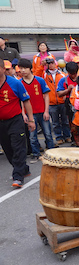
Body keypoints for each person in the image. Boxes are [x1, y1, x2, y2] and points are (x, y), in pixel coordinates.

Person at [0, 59, 35, 188]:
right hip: (1, 123)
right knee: (8, 149)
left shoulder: (15, 83)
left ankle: (18, 176)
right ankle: (23, 169)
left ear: (3, 69)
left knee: (18, 147)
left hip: (15, 120)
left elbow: (26, 101)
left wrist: (31, 120)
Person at [17, 58, 55, 163]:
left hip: (42, 111)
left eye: (24, 68)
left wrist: (47, 111)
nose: (22, 70)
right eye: (21, 68)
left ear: (30, 68)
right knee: (32, 136)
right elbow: (20, 100)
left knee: (47, 133)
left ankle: (51, 152)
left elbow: (46, 96)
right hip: (30, 114)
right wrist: (23, 113)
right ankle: (36, 154)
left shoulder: (40, 80)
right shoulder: (19, 83)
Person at [43, 57, 70, 145]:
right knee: (55, 122)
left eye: (52, 63)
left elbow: (66, 86)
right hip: (51, 102)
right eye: (49, 63)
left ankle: (67, 136)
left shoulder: (62, 74)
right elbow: (37, 73)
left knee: (65, 120)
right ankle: (59, 137)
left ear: (56, 64)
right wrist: (42, 65)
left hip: (62, 101)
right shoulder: (44, 75)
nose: (51, 65)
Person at [56, 61, 79, 144]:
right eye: (72, 74)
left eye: (75, 73)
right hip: (69, 103)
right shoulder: (64, 80)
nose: (74, 75)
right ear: (68, 72)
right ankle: (73, 139)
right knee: (71, 122)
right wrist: (68, 90)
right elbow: (59, 93)